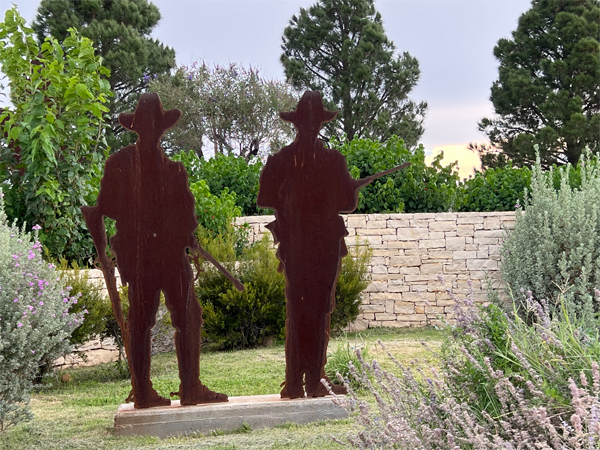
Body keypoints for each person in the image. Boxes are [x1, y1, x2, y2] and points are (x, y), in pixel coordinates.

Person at [82, 92, 238, 408]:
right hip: (146, 257)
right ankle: (161, 390)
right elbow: (104, 210)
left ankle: (167, 389)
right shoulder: (150, 168)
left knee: (174, 317)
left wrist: (184, 235)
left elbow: (184, 219)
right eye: (151, 124)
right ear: (148, 127)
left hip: (153, 257)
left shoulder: (163, 169)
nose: (153, 129)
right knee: (160, 318)